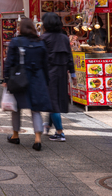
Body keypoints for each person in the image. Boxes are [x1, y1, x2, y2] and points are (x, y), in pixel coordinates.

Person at [3, 18, 52, 151]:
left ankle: (15, 135)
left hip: (20, 79)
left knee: (16, 108)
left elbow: (9, 62)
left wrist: (6, 79)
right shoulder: (40, 42)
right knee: (36, 109)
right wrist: (47, 80)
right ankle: (37, 139)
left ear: (20, 28)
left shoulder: (15, 42)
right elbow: (46, 64)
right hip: (38, 79)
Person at [41, 13, 76, 142]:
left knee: (52, 102)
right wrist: (73, 74)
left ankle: (60, 132)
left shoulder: (44, 38)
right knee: (55, 100)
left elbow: (40, 58)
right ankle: (48, 125)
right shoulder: (64, 38)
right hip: (62, 74)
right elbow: (69, 57)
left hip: (49, 74)